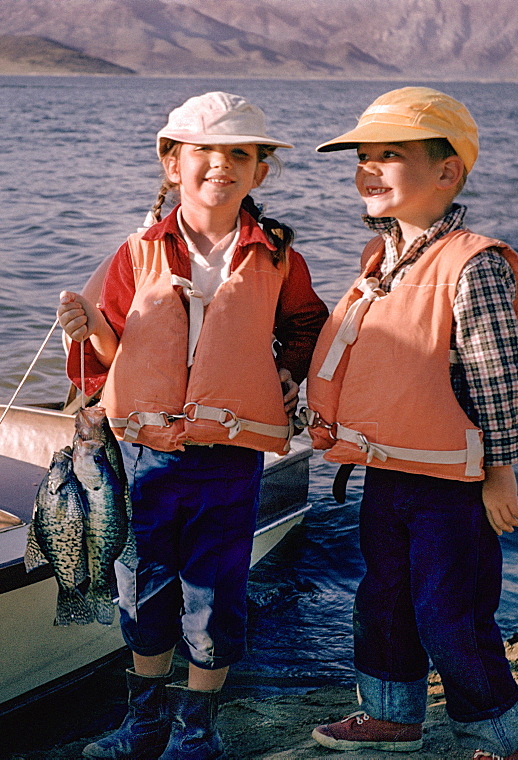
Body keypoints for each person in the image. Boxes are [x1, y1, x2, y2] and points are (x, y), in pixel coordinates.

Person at [57, 91, 328, 760]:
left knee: (214, 596)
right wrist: (85, 331)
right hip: (144, 457)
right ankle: (144, 724)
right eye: (204, 151)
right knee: (143, 590)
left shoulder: (279, 257)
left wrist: (289, 373)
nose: (222, 165)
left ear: (260, 171)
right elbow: (110, 355)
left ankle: (198, 731)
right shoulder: (136, 253)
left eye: (240, 154)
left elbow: (306, 326)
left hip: (229, 460)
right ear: (173, 163)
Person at [304, 87, 518, 760]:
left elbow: (499, 380)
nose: (368, 169)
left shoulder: (473, 263)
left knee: (451, 613)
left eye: (390, 155)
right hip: (388, 471)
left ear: (447, 172)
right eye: (363, 156)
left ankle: (497, 735)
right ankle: (391, 716)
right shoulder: (381, 262)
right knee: (382, 601)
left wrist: (500, 473)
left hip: (453, 484)